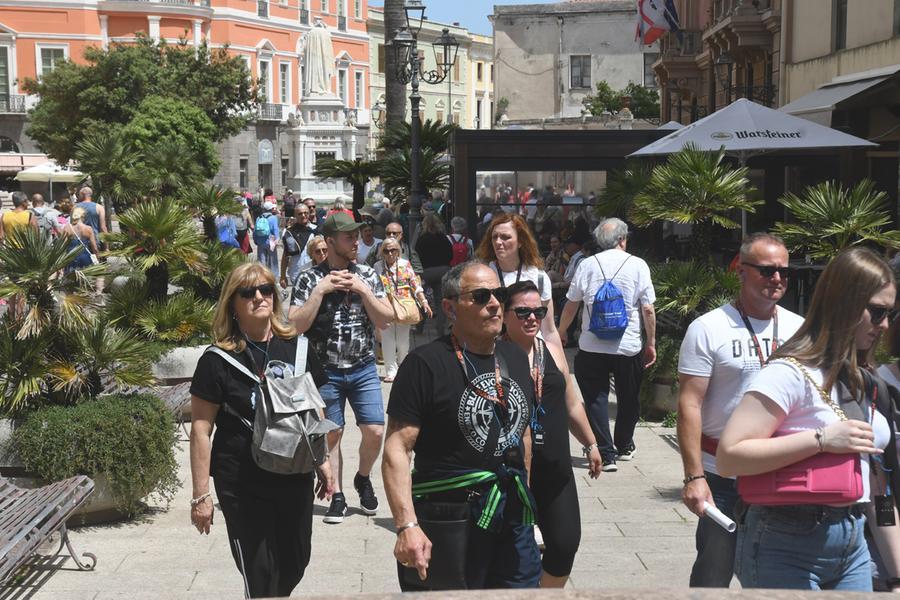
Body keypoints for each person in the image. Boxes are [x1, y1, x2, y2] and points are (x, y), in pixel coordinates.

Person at [717, 247, 896, 591]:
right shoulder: (790, 372)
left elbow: (877, 486)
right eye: (877, 312)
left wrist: (897, 574)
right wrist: (822, 440)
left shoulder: (863, 379)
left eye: (890, 313)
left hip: (853, 540)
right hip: (786, 541)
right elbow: (729, 456)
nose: (884, 324)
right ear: (846, 303)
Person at [382, 261, 541, 590]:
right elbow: (397, 447)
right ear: (449, 308)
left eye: (499, 293)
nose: (495, 303)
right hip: (449, 518)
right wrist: (406, 524)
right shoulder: (424, 364)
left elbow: (522, 434)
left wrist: (525, 499)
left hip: (510, 517)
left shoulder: (514, 358)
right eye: (481, 296)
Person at [189, 262, 335, 598]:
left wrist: (323, 459)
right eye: (247, 292)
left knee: (295, 563)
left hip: (294, 473)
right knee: (261, 573)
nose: (259, 297)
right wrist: (201, 496)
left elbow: (314, 408)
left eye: (266, 289)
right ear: (233, 304)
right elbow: (200, 428)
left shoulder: (298, 348)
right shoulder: (216, 360)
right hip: (241, 480)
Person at [676, 233, 804, 588]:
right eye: (766, 271)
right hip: (723, 476)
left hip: (780, 472)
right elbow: (689, 404)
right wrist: (694, 476)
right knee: (713, 574)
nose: (776, 279)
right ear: (741, 271)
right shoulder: (708, 328)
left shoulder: (800, 329)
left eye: (783, 272)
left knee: (777, 575)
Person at [289, 212, 394, 524]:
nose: (355, 242)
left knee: (375, 430)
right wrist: (320, 291)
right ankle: (336, 494)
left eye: (356, 237)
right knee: (331, 434)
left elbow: (386, 319)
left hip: (362, 367)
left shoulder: (366, 275)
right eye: (349, 238)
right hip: (325, 370)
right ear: (331, 241)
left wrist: (362, 290)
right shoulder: (308, 278)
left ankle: (363, 478)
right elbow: (294, 324)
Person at [502, 280, 601, 587]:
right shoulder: (493, 355)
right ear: (504, 315)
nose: (532, 317)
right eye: (522, 311)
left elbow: (571, 403)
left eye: (538, 311)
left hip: (556, 469)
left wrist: (591, 443)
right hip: (512, 473)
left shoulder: (552, 349)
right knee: (513, 554)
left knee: (564, 543)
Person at [558, 218, 656, 473]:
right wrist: (651, 341)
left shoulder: (587, 264)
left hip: (592, 345)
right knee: (628, 397)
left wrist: (561, 331)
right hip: (629, 345)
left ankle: (606, 453)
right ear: (623, 239)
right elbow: (647, 308)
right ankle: (624, 445)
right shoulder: (638, 265)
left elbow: (572, 304)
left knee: (595, 398)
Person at [476, 213, 563, 352]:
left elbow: (549, 330)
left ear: (520, 242)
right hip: (493, 352)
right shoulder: (482, 275)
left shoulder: (538, 277)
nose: (498, 242)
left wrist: (562, 369)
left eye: (505, 237)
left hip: (530, 353)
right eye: (494, 237)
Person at [374, 237, 431, 382]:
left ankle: (403, 367)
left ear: (398, 251)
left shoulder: (405, 264)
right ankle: (391, 371)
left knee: (403, 341)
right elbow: (373, 287)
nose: (390, 254)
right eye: (386, 251)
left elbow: (415, 284)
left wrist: (424, 301)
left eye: (393, 250)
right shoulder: (378, 266)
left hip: (404, 306)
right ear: (382, 252)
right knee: (387, 340)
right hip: (385, 306)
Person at [415, 214, 452, 334]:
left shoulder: (422, 239)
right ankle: (440, 329)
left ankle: (420, 327)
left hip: (426, 272)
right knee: (440, 301)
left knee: (422, 298)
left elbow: (416, 255)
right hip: (442, 270)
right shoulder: (443, 238)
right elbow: (450, 254)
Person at [280, 204, 316, 289]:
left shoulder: (316, 231)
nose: (303, 215)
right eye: (300, 214)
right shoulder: (290, 233)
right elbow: (285, 255)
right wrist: (282, 276)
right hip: (296, 273)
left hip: (314, 273)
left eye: (305, 213)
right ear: (295, 215)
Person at [63, 207, 99, 273]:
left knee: (71, 280)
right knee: (86, 279)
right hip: (85, 257)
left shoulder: (67, 228)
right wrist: (97, 257)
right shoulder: (88, 229)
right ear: (83, 216)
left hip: (71, 257)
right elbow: (94, 247)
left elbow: (63, 246)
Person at [254, 201, 280, 273]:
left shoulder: (258, 218)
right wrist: (277, 240)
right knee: (273, 261)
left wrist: (255, 240)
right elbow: (275, 230)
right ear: (271, 209)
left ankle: (263, 276)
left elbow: (255, 231)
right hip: (271, 242)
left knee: (261, 261)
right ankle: (274, 277)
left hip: (260, 241)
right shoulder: (273, 218)